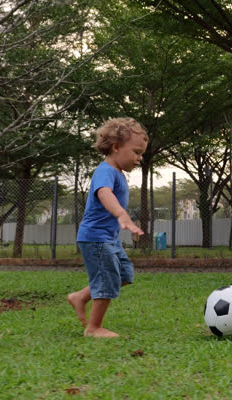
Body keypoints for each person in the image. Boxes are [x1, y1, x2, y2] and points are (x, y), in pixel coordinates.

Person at [67, 117, 148, 337]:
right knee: (108, 278)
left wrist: (125, 219)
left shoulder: (118, 173)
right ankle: (94, 328)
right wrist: (121, 213)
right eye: (137, 152)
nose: (140, 158)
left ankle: (81, 297)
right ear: (116, 147)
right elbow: (104, 193)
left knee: (124, 274)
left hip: (108, 238)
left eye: (141, 154)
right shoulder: (105, 171)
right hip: (96, 237)